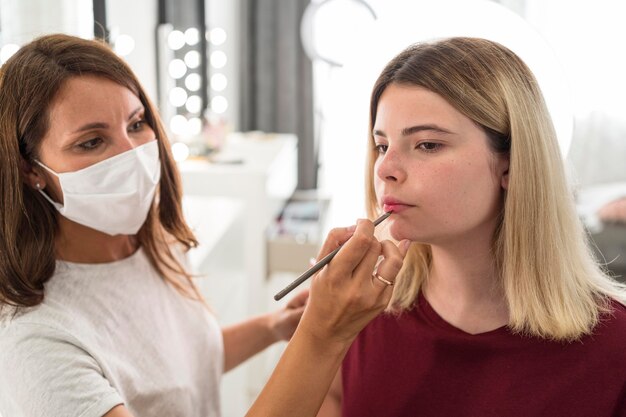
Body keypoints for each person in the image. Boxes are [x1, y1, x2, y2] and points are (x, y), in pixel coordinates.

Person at [0, 34, 410, 417]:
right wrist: (324, 334)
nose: (133, 154)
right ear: (28, 169)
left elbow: (176, 367)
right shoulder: (33, 341)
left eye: (137, 123)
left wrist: (274, 326)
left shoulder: (142, 244)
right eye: (91, 142)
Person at [317, 37, 626, 417]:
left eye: (427, 144)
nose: (384, 169)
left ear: (511, 166)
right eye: (382, 146)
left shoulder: (615, 350)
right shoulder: (358, 312)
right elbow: (333, 400)